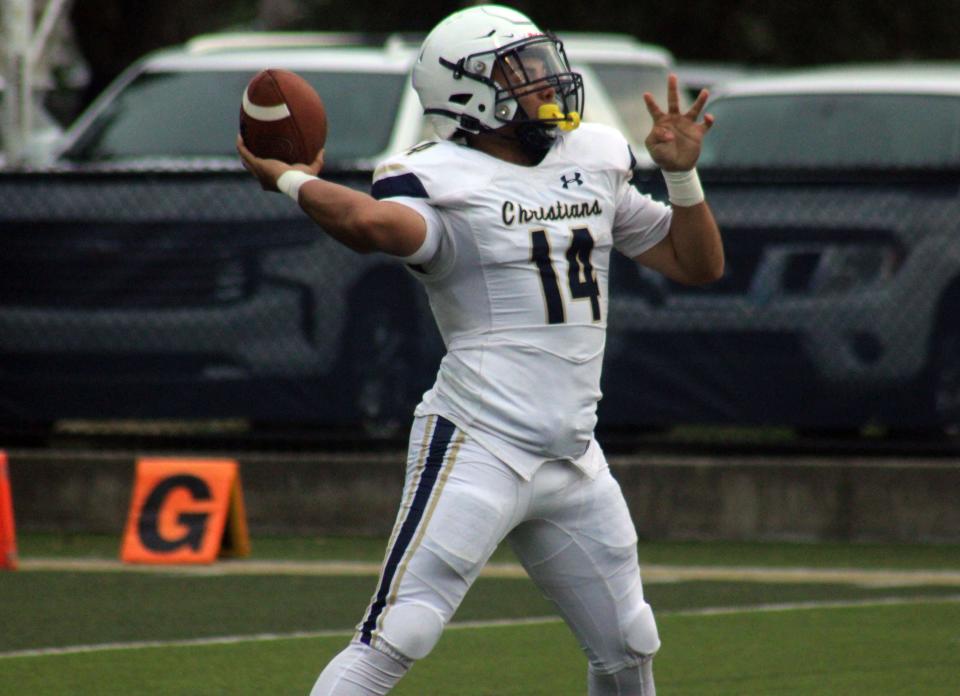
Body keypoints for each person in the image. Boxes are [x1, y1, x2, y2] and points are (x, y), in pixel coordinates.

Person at [238, 5, 723, 694]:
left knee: (629, 646)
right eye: (520, 72)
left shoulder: (594, 157)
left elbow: (695, 263)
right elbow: (372, 226)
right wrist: (290, 178)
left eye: (539, 64)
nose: (544, 82)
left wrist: (682, 177)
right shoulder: (438, 177)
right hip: (479, 445)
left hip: (572, 455)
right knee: (395, 636)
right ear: (465, 93)